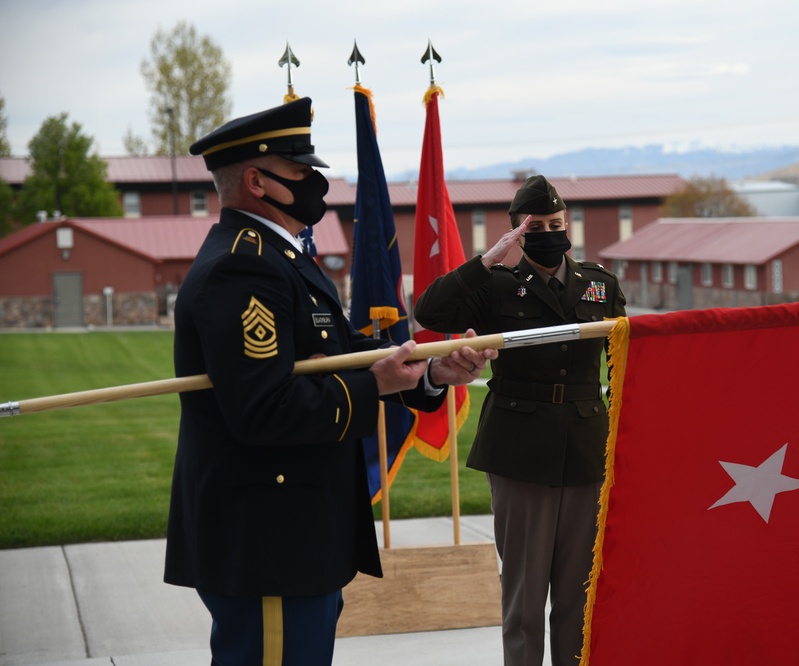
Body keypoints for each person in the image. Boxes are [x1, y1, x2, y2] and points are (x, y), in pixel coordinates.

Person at [164, 96, 496, 664]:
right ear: (257, 181)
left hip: (297, 533)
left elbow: (334, 353)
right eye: (302, 172)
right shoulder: (243, 267)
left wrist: (432, 370)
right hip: (267, 539)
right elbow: (264, 409)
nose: (317, 183)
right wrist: (378, 385)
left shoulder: (281, 257)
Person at [413, 175, 627, 666]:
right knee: (525, 599)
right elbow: (428, 309)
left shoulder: (599, 283)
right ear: (517, 232)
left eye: (557, 223)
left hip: (586, 448)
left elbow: (620, 368)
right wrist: (489, 259)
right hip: (519, 449)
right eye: (537, 225)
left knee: (580, 597)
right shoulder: (496, 286)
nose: (551, 232)